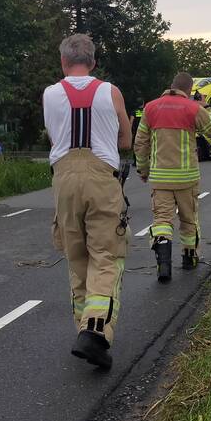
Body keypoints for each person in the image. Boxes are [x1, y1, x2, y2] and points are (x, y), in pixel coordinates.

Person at [43, 33, 132, 370]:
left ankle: (83, 326)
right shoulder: (110, 92)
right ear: (94, 62)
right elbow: (125, 139)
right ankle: (95, 329)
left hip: (64, 178)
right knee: (106, 255)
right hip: (101, 178)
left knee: (76, 254)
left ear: (63, 62)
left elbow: (54, 136)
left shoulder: (50, 94)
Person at [134, 72, 211, 282]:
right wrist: (206, 106)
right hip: (187, 178)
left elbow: (140, 143)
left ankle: (163, 264)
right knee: (188, 220)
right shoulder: (192, 108)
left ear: (171, 85)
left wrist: (143, 170)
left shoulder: (151, 108)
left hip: (160, 178)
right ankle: (189, 258)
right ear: (189, 90)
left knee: (162, 220)